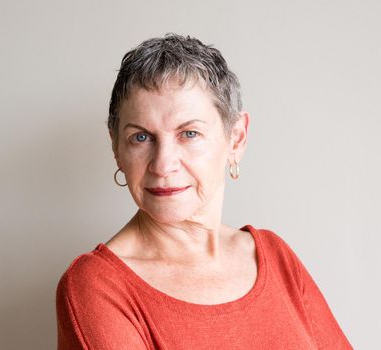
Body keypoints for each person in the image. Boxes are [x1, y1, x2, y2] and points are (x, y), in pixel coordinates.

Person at [56, 34, 353, 349]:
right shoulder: (96, 286)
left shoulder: (274, 256)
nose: (162, 164)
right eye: (141, 138)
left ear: (236, 139)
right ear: (116, 147)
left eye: (189, 133)